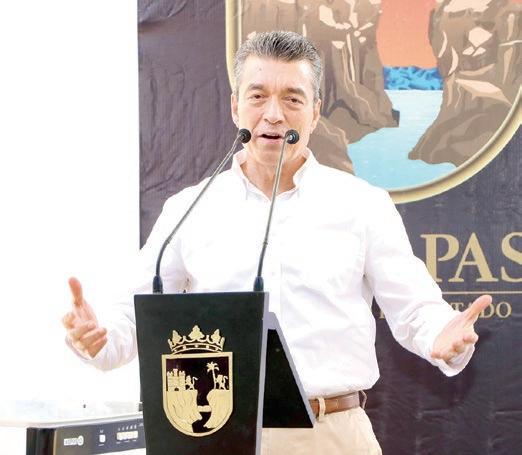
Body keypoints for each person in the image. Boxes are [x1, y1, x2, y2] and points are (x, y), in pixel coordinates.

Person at [62, 31, 491, 454]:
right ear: (235, 106)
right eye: (257, 96)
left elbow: (415, 309)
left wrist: (443, 337)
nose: (273, 114)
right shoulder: (188, 209)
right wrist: (98, 338)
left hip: (332, 435)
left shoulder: (363, 205)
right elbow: (135, 316)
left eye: (292, 99)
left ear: (315, 112)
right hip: (214, 435)